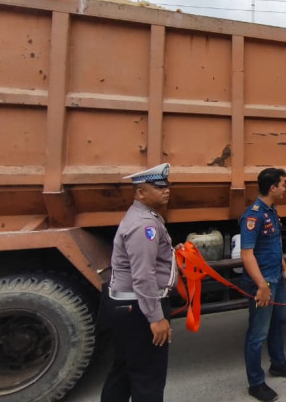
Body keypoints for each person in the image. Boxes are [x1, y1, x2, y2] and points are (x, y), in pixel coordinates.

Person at [101, 163, 179, 402]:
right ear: (140, 193)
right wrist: (155, 318)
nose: (165, 190)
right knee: (148, 377)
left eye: (166, 186)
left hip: (129, 306)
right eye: (158, 187)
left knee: (124, 370)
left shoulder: (142, 216)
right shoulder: (145, 225)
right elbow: (143, 275)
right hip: (139, 308)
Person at [240, 168, 286, 402]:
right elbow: (247, 255)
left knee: (279, 322)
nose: (285, 188)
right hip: (263, 283)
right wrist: (261, 286)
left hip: (276, 277)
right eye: (283, 184)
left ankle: (278, 364)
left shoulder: (272, 211)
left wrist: (284, 269)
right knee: (257, 333)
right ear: (272, 188)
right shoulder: (253, 216)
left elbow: (274, 244)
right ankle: (255, 383)